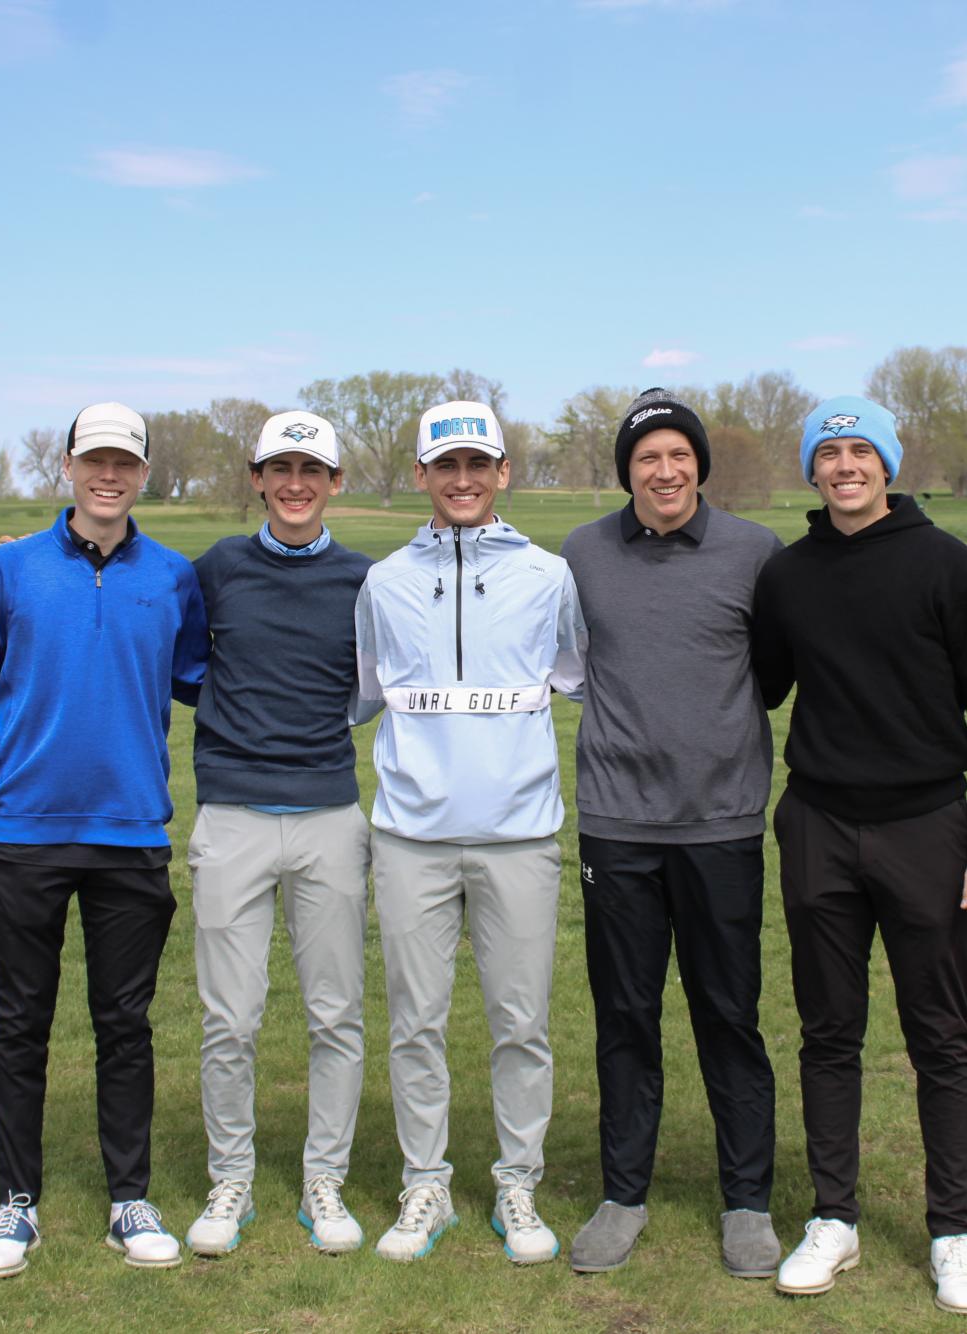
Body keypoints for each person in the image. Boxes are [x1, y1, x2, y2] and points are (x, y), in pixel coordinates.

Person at [751, 394, 967, 1315]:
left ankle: (953, 1231)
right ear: (811, 471)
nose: (844, 466)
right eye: (828, 453)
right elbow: (764, 681)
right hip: (818, 826)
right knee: (829, 1034)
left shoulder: (948, 566)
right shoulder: (788, 576)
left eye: (861, 450)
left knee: (939, 1036)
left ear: (888, 465)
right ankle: (834, 1218)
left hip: (928, 830)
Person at [0, 401, 207, 1279]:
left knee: (124, 1025)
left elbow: (209, 679)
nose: (109, 475)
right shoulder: (6, 569)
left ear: (144, 472)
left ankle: (130, 1197)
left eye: (125, 461)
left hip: (130, 834)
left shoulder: (171, 576)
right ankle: (17, 1202)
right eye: (95, 460)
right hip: (26, 832)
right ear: (67, 467)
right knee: (22, 1023)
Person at [352, 399, 587, 1265]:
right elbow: (368, 692)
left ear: (502, 473)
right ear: (421, 475)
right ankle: (425, 1184)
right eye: (445, 466)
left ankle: (517, 1183)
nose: (462, 480)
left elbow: (571, 675)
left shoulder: (549, 575)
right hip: (410, 837)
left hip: (520, 837)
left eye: (477, 465)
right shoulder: (382, 582)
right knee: (415, 1020)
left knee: (519, 1022)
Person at [559, 389, 783, 1278]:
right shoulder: (581, 552)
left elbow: (771, 677)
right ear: (627, 472)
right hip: (617, 826)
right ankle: (622, 1195)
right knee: (625, 1015)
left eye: (677, 455)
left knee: (729, 1015)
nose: (664, 470)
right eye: (646, 458)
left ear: (698, 465)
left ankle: (747, 1204)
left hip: (720, 825)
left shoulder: (754, 552)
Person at [180, 411, 377, 1258]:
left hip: (330, 814)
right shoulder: (217, 568)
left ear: (335, 484)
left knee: (336, 1013)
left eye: (312, 470)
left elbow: (371, 688)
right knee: (231, 1017)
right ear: (256, 479)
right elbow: (183, 662)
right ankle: (232, 1178)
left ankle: (323, 1178)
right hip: (232, 816)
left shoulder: (365, 579)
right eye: (279, 469)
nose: (296, 484)